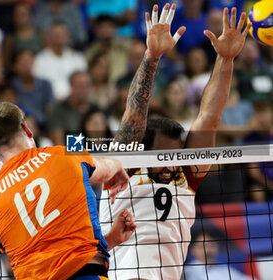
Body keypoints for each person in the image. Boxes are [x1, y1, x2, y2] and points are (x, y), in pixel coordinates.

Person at [100, 3, 250, 280]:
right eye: (163, 157)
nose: (170, 165)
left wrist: (226, 60)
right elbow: (134, 112)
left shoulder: (186, 175)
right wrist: (152, 55)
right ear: (143, 152)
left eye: (176, 155)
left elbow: (208, 118)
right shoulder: (125, 168)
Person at [0, 102, 137, 279]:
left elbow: (45, 260)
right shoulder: (63, 155)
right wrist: (117, 165)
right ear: (27, 129)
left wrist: (111, 239)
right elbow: (104, 172)